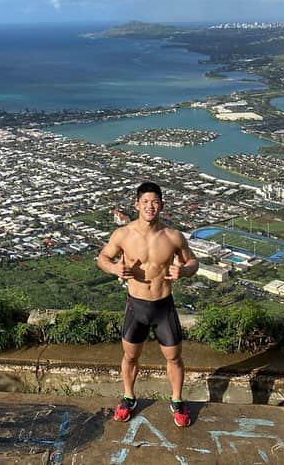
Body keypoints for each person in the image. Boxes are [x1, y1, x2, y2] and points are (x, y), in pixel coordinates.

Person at [97, 181, 199, 427]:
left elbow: (193, 262)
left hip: (163, 305)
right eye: (145, 202)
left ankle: (176, 400)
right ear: (137, 205)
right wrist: (114, 268)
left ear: (161, 205)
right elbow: (102, 257)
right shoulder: (123, 234)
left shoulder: (173, 236)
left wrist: (183, 271)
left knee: (174, 357)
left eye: (155, 202)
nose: (150, 206)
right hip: (136, 306)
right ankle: (128, 397)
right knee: (130, 356)